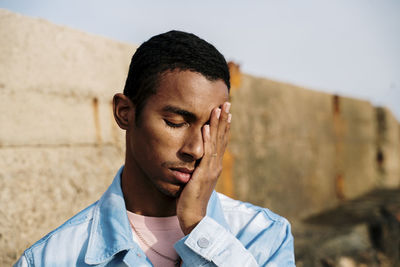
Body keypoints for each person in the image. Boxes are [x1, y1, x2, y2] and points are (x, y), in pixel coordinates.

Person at [15, 30, 295, 267]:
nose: (196, 149)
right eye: (175, 122)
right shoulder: (51, 258)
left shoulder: (264, 236)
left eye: (211, 127)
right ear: (125, 112)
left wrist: (198, 226)